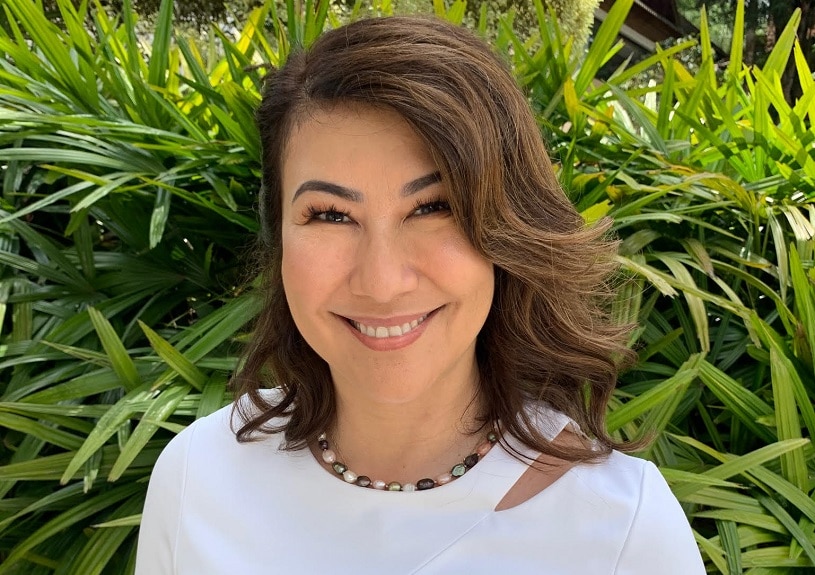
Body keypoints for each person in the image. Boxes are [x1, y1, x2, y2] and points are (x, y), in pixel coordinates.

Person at [135, 15, 705, 574]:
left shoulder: (621, 531)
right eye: (330, 214)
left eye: (433, 207)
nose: (382, 283)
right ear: (278, 234)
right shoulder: (197, 479)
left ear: (510, 228)